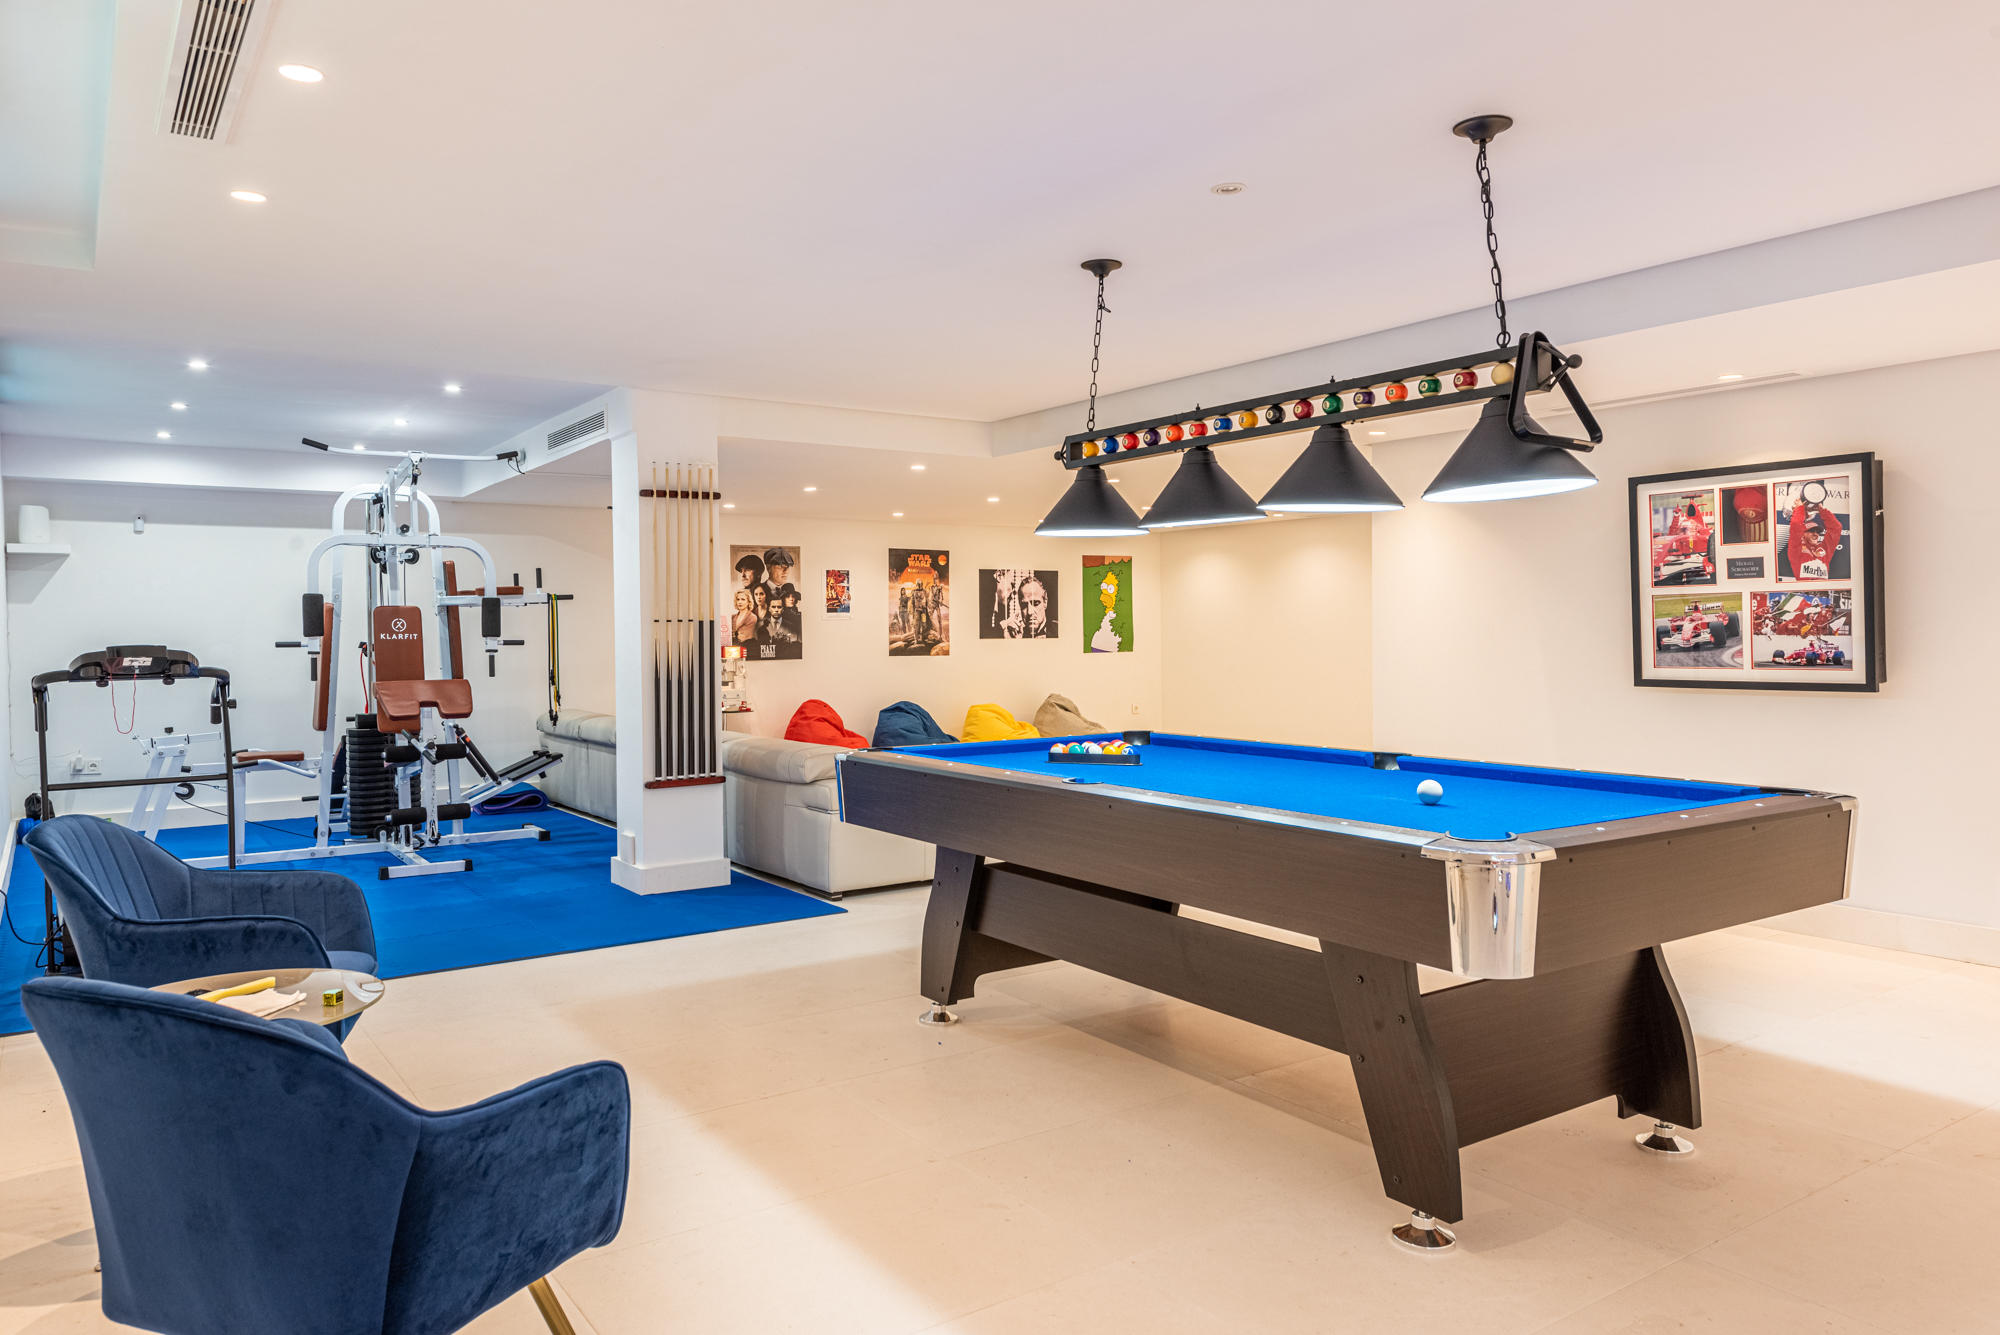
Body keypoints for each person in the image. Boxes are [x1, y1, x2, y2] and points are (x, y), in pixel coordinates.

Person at [1017, 573, 1048, 638]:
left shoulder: (1060, 630)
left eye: (1035, 604)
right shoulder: (1017, 635)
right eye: (1024, 606)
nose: (1029, 612)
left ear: (1045, 602)